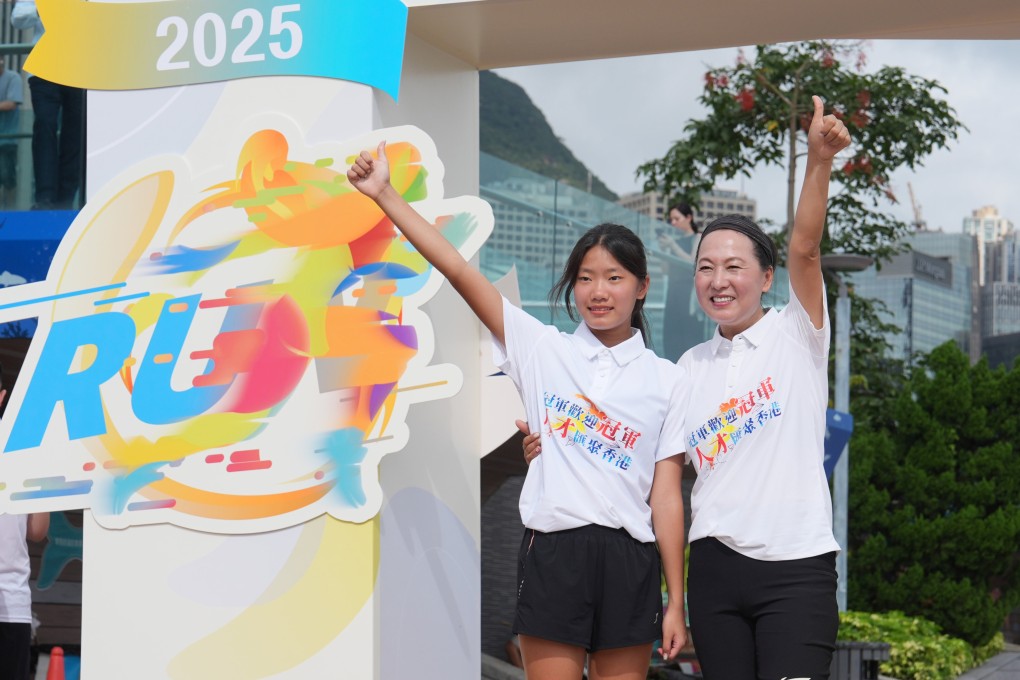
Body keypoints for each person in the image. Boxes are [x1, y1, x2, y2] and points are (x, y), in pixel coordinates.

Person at [524, 95, 852, 679]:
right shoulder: (685, 370)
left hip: (796, 567)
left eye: (734, 266)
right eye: (705, 266)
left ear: (766, 277)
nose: (718, 280)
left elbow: (805, 246)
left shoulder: (797, 335)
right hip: (717, 574)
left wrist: (818, 161)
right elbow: (647, 462)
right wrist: (551, 439)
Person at [347, 142, 689, 680]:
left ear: (642, 288)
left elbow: (666, 495)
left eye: (615, 278)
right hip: (554, 551)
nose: (598, 292)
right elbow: (458, 269)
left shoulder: (669, 379)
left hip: (631, 561)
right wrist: (385, 194)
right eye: (585, 278)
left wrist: (675, 599)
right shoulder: (541, 347)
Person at [0, 365, 50, 680]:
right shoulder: (26, 450)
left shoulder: (27, 451)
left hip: (13, 603)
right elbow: (37, 531)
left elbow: (36, 531)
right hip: (13, 602)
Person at [11, 0, 84, 209]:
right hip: (45, 66)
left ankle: (66, 198)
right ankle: (45, 197)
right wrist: (46, 8)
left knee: (75, 132)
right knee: (45, 125)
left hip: (80, 66)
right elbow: (17, 16)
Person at [656, 202, 709, 361]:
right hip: (673, 293)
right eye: (671, 220)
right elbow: (665, 270)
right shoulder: (674, 241)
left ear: (688, 218)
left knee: (689, 334)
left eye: (676, 218)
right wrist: (664, 249)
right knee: (671, 335)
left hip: (689, 294)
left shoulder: (698, 238)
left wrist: (672, 246)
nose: (673, 223)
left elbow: (692, 263)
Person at [0, 59, 24, 209]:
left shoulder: (13, 78)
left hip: (7, 140)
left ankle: (10, 212)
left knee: (7, 178)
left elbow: (11, 104)